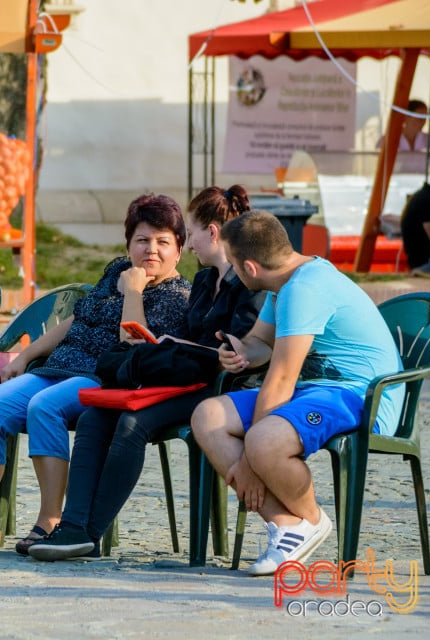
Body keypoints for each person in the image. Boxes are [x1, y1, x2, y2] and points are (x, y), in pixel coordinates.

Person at [0, 194, 192, 554]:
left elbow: (131, 343)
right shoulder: (116, 270)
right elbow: (77, 318)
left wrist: (134, 291)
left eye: (163, 242)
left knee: (45, 407)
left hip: (102, 377)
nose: (151, 250)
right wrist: (25, 356)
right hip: (59, 366)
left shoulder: (176, 294)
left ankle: (50, 521)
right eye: (143, 240)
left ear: (179, 249)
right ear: (128, 244)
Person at [28, 186, 265, 561]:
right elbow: (193, 340)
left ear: (214, 233)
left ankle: (87, 533)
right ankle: (72, 526)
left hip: (221, 389)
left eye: (193, 233)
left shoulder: (249, 284)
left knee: (131, 424)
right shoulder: (205, 281)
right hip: (183, 377)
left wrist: (203, 351)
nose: (190, 246)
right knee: (94, 416)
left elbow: (246, 351)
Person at [190, 210, 403, 576]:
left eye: (234, 265)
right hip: (315, 390)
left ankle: (311, 518)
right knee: (207, 416)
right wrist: (243, 351)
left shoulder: (305, 289)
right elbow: (261, 342)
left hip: (360, 394)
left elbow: (282, 378)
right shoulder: (287, 281)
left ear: (250, 268)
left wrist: (249, 461)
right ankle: (288, 525)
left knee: (264, 441)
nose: (234, 272)